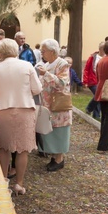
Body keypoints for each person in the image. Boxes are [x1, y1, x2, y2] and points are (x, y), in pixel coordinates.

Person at [0, 39, 42, 195]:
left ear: (0, 51)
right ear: (16, 50)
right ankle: (19, 184)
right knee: (23, 150)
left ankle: (3, 183)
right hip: (25, 110)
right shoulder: (27, 66)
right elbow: (37, 89)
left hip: (3, 112)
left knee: (4, 149)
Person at [37, 39, 72, 172]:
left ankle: (59, 158)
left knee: (59, 132)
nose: (42, 53)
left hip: (58, 105)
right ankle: (54, 156)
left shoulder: (62, 64)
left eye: (43, 51)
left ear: (52, 51)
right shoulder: (47, 64)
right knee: (50, 131)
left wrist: (45, 74)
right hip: (48, 105)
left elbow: (62, 83)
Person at [83, 42, 105, 120]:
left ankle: (96, 115)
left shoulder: (106, 57)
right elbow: (86, 69)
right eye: (103, 49)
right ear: (100, 49)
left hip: (102, 81)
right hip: (92, 81)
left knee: (100, 96)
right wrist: (85, 81)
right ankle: (89, 108)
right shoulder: (93, 57)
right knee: (98, 95)